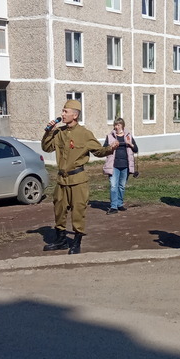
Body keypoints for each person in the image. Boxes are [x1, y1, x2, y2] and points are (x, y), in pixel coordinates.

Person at [41, 99, 114, 254]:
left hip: (78, 180)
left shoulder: (85, 134)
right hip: (62, 180)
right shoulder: (58, 132)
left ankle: (76, 242)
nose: (62, 114)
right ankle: (61, 241)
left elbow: (99, 151)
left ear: (75, 115)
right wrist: (49, 131)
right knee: (59, 210)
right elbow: (46, 148)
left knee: (78, 212)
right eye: (62, 111)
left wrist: (110, 149)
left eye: (65, 111)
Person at [103, 117, 138, 214]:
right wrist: (111, 146)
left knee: (121, 186)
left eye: (118, 125)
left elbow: (136, 149)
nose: (116, 127)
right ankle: (113, 207)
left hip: (125, 165)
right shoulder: (110, 136)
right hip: (114, 166)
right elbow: (104, 150)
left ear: (122, 125)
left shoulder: (128, 136)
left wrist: (130, 144)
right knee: (113, 186)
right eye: (115, 125)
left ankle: (119, 204)